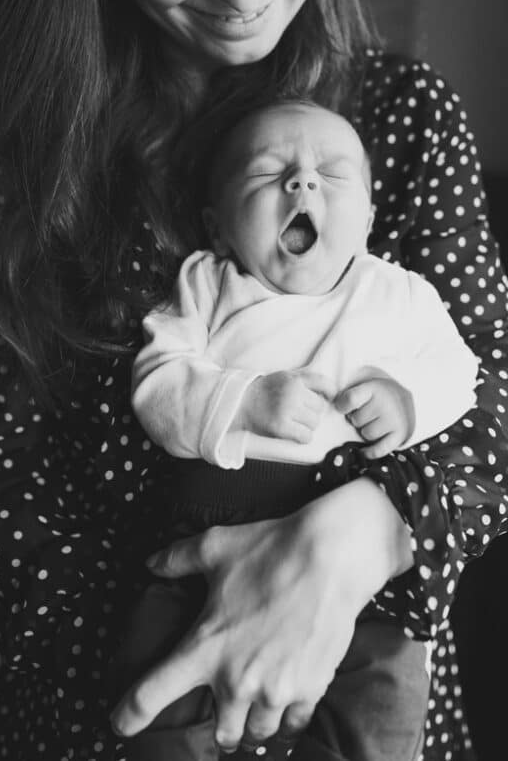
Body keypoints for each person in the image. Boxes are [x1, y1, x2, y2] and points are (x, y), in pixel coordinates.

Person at [0, 0, 508, 759]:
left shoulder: (399, 122)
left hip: (367, 650)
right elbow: (1, 514)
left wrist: (359, 536)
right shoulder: (5, 166)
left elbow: (499, 399)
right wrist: (211, 644)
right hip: (107, 709)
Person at [116, 99, 480, 760]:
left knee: (385, 695)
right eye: (266, 174)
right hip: (207, 525)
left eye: (332, 174)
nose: (302, 182)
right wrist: (244, 400)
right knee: (158, 694)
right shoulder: (207, 284)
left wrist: (405, 402)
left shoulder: (399, 295)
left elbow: (461, 375)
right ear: (218, 227)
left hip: (356, 552)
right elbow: (158, 384)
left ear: (367, 221)